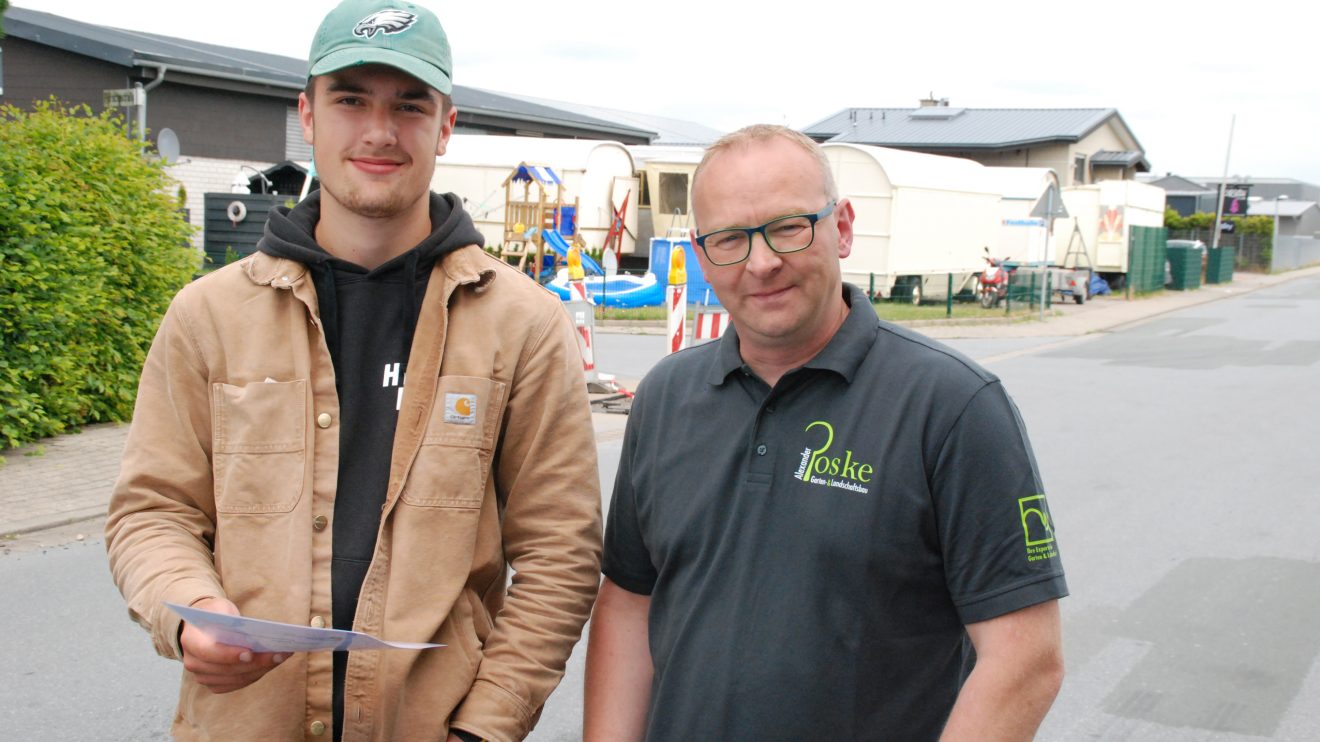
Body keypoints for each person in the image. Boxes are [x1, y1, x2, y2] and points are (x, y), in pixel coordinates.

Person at [105, 2, 602, 740]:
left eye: (408, 105)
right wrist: (188, 615)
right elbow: (153, 510)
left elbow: (561, 551)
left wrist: (486, 726)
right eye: (350, 100)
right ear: (306, 114)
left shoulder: (521, 325)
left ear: (446, 124)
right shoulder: (208, 316)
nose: (378, 131)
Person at [583, 125, 1067, 741]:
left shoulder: (954, 407)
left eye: (788, 227)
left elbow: (1024, 660)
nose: (761, 263)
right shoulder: (665, 398)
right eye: (730, 239)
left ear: (841, 227)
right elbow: (630, 602)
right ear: (702, 256)